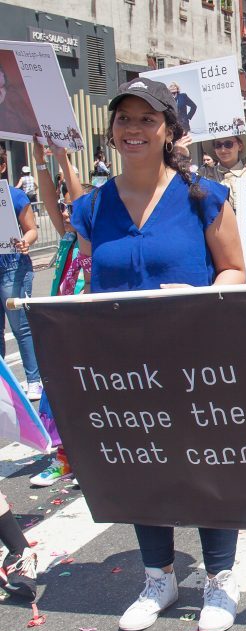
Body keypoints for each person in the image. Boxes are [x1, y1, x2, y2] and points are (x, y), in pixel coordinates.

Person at [70, 77, 246, 631]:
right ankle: (158, 577)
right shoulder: (91, 207)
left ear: (169, 130)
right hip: (122, 368)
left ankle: (218, 579)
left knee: (209, 466)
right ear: (112, 130)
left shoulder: (203, 196)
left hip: (197, 362)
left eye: (147, 119)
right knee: (141, 465)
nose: (134, 129)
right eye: (124, 118)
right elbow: (94, 279)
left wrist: (196, 298)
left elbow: (235, 271)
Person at [27, 138, 88, 488]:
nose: (65, 213)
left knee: (85, 394)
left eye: (72, 209)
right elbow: (52, 201)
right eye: (64, 209)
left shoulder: (90, 242)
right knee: (58, 392)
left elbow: (79, 204)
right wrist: (41, 161)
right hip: (58, 327)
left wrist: (64, 159)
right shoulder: (67, 239)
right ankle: (65, 459)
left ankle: (90, 460)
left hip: (84, 326)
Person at [0, 153, 42, 401]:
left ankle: (34, 380)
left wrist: (25, 242)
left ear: (2, 166)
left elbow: (32, 230)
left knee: (21, 327)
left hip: (12, 266)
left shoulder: (15, 196)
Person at [208, 135, 246, 209]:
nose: (223, 150)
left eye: (228, 144)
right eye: (218, 145)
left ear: (240, 146)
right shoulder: (205, 176)